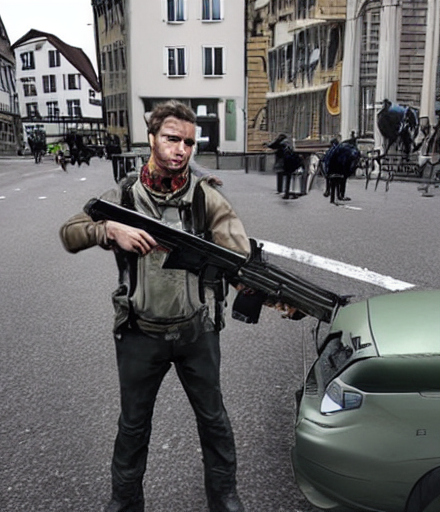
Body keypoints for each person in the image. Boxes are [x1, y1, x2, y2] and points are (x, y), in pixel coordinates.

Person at [60, 101, 248, 512]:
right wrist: (108, 229)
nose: (181, 149)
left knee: (214, 420)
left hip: (197, 332)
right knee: (132, 426)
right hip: (140, 333)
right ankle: (124, 502)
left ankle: (224, 497)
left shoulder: (206, 198)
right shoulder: (125, 195)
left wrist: (271, 296)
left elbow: (241, 259)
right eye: (172, 138)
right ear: (151, 139)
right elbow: (70, 232)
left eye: (189, 142)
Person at [265, 133, 303, 199]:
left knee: (281, 175)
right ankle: (287, 191)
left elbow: (273, 145)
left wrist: (267, 145)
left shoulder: (281, 143)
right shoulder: (289, 143)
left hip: (283, 162)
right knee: (288, 177)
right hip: (290, 162)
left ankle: (282, 190)